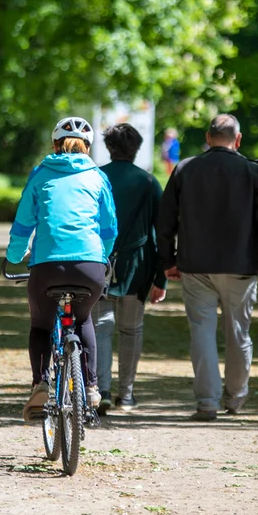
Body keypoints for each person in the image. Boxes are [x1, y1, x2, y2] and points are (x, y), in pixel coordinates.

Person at [156, 114, 258, 421]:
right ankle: (236, 398)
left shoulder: (185, 169)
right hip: (241, 266)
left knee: (201, 332)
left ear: (208, 136)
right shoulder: (254, 172)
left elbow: (164, 222)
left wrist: (168, 261)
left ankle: (207, 403)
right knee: (238, 333)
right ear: (237, 140)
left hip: (195, 265)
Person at [6, 117, 118, 421]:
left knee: (41, 325)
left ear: (55, 145)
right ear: (88, 147)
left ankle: (40, 386)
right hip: (90, 267)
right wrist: (101, 256)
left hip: (47, 265)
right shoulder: (98, 177)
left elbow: (23, 224)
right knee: (83, 320)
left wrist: (15, 256)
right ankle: (92, 387)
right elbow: (109, 229)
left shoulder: (40, 175)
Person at [92, 124, 167, 414]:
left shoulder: (96, 177)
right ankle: (127, 394)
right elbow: (163, 233)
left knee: (101, 326)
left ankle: (102, 391)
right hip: (138, 265)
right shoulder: (149, 182)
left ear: (109, 147)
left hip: (99, 261)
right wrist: (162, 276)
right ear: (136, 148)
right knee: (131, 329)